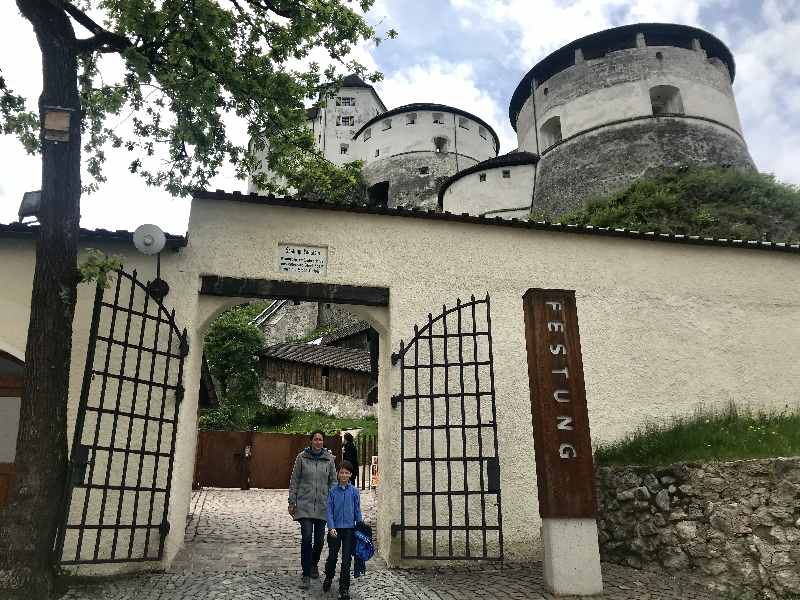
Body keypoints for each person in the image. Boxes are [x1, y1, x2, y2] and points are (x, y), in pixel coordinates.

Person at [288, 430, 337, 590]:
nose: (318, 442)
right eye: (315, 439)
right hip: (305, 505)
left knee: (320, 540)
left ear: (323, 442)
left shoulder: (329, 459)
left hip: (323, 506)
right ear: (311, 441)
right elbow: (294, 480)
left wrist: (333, 501)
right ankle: (306, 573)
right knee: (307, 537)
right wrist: (292, 501)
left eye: (320, 440)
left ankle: (314, 563)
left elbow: (333, 481)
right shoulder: (301, 458)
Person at [322, 460, 362, 600]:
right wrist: (331, 526)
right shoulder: (332, 491)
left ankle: (344, 588)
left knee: (346, 560)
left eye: (347, 472)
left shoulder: (354, 492)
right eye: (341, 472)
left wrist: (360, 526)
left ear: (350, 474)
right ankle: (329, 576)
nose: (344, 475)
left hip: (350, 530)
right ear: (338, 474)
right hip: (335, 529)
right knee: (332, 557)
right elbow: (329, 511)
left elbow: (357, 510)